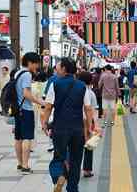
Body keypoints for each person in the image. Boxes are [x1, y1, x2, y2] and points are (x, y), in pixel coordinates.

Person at [41, 58, 98, 192]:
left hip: (60, 128)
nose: (56, 68)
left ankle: (59, 176)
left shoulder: (54, 84)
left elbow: (48, 107)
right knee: (76, 161)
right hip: (77, 129)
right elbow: (88, 108)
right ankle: (72, 188)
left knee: (58, 157)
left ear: (64, 69)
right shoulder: (82, 86)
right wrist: (89, 128)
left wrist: (44, 122)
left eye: (58, 66)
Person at [14, 52, 44, 174]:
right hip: (26, 109)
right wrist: (39, 101)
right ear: (30, 63)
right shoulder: (27, 74)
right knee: (27, 138)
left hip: (17, 109)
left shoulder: (17, 73)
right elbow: (26, 93)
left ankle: (20, 163)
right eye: (36, 63)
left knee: (18, 138)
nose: (37, 66)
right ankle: (26, 165)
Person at [77, 71, 100, 178]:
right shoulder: (91, 93)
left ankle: (70, 167)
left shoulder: (75, 90)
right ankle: (87, 170)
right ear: (90, 81)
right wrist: (95, 125)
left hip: (75, 121)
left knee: (74, 146)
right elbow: (94, 111)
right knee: (89, 146)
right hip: (87, 121)